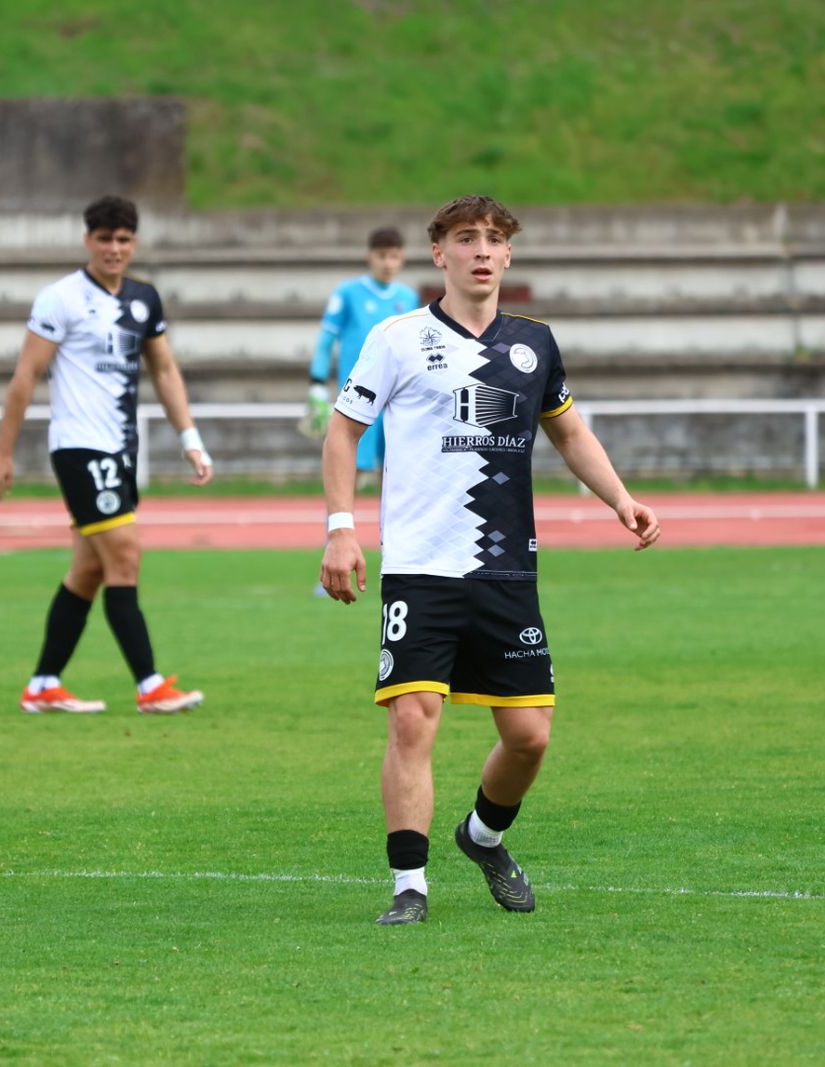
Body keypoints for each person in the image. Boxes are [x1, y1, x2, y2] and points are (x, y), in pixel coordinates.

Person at [317, 195, 659, 926]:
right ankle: (410, 884)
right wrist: (341, 528)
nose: (482, 249)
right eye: (466, 237)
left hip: (505, 570)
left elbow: (568, 434)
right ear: (438, 253)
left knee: (530, 736)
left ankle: (482, 835)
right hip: (419, 565)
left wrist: (620, 499)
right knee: (414, 719)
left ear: (508, 256)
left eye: (495, 239)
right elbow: (344, 432)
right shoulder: (397, 338)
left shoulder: (534, 344)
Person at [0, 195, 212, 716]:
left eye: (124, 239)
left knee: (88, 571)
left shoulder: (144, 300)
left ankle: (43, 684)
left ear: (134, 243)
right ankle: (150, 684)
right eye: (105, 238)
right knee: (126, 557)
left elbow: (164, 371)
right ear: (87, 240)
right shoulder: (60, 299)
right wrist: (3, 453)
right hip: (80, 447)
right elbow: (26, 377)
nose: (115, 248)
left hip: (120, 449)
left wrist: (190, 439)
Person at [300, 226, 420, 481]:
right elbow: (325, 341)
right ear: (370, 257)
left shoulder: (407, 297)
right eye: (382, 255)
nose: (388, 263)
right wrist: (317, 384)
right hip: (358, 396)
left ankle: (388, 524)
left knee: (394, 472)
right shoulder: (347, 293)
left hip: (396, 396)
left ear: (402, 258)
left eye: (394, 256)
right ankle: (338, 520)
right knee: (352, 468)